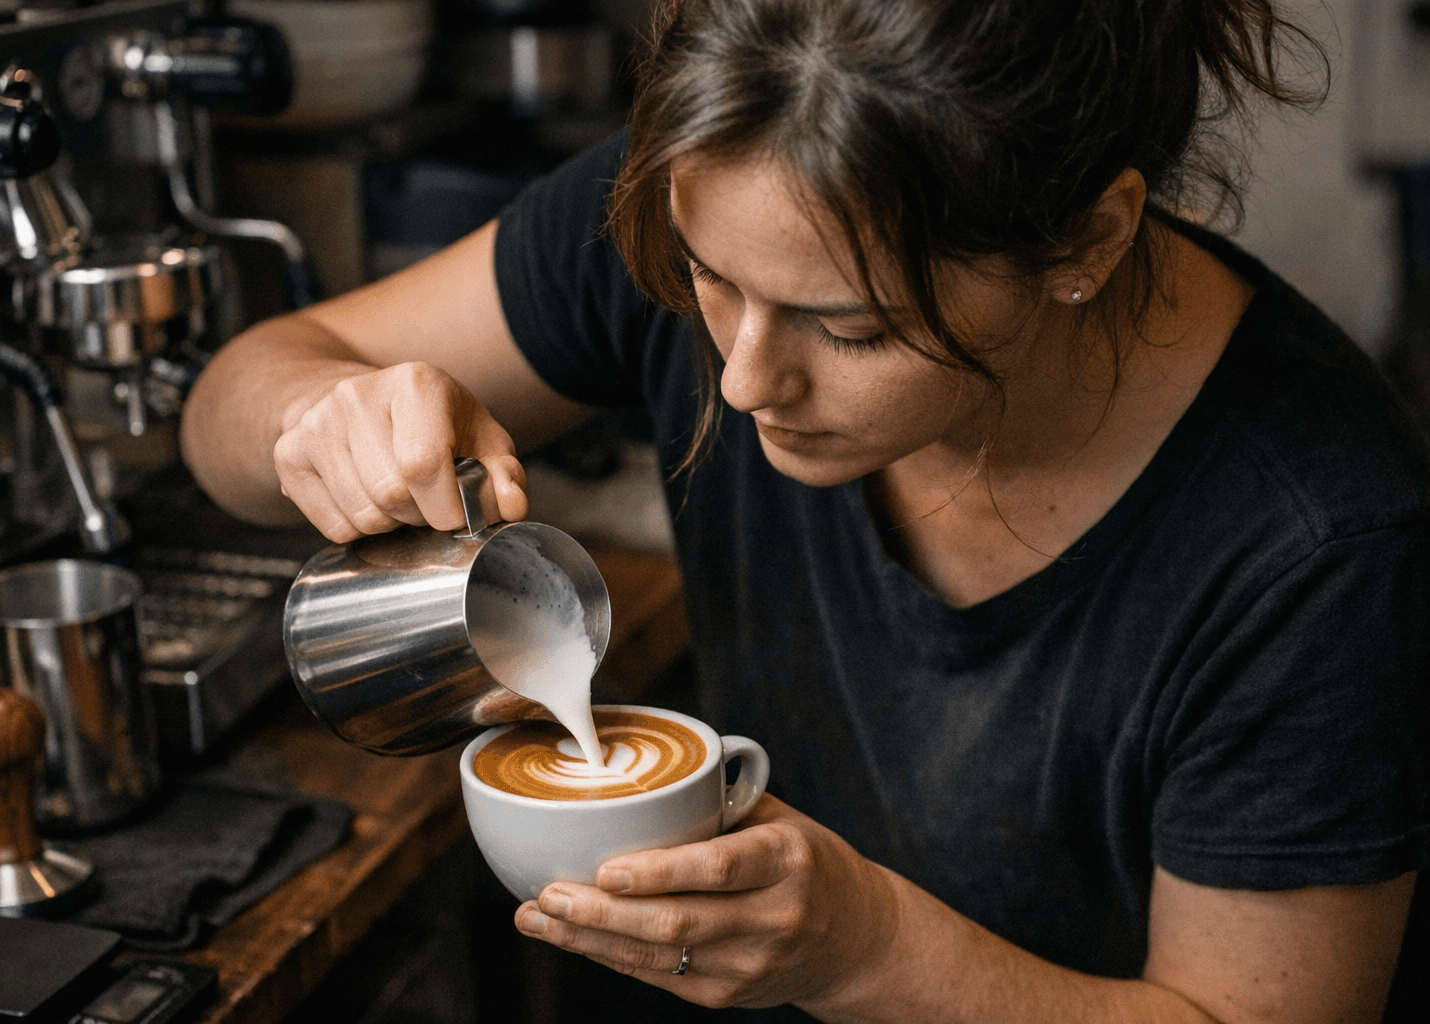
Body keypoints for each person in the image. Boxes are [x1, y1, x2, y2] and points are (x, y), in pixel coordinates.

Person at [181, 0, 1429, 1020]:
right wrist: (326, 412)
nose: (743, 378)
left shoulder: (1320, 542)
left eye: (855, 329)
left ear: (1088, 241)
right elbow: (229, 405)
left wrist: (867, 949)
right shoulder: (728, 206)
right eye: (706, 279)